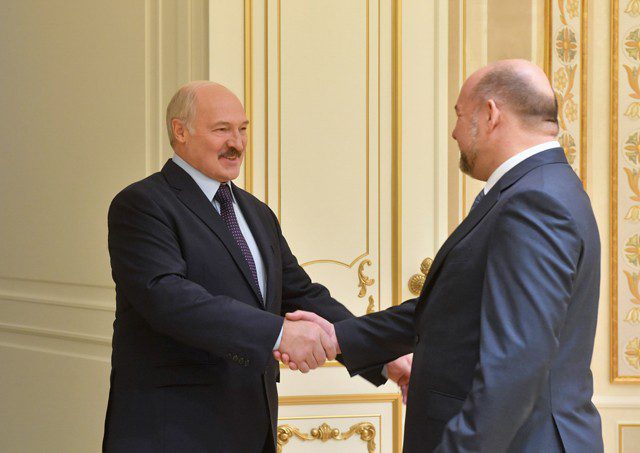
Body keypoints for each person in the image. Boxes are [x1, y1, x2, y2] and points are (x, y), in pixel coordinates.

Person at [282, 60, 604, 452]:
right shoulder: (541, 188)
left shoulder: (534, 201)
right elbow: (453, 307)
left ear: (490, 114)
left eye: (459, 115)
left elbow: (516, 363)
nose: (454, 132)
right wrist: (339, 337)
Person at [103, 81, 411, 452]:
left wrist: (383, 358)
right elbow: (168, 298)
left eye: (243, 129)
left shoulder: (256, 212)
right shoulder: (142, 204)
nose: (237, 143)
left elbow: (301, 295)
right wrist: (279, 334)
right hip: (171, 428)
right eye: (222, 130)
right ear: (180, 131)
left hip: (251, 425)